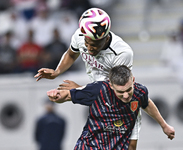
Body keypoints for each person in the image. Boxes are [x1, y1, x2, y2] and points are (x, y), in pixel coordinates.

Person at [34, 7, 141, 150]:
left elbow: (112, 93)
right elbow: (72, 53)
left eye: (95, 44)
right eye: (87, 42)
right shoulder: (80, 35)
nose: (89, 48)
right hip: (100, 103)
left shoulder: (122, 53)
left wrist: (76, 92)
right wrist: (56, 72)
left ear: (106, 37)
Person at [47, 65, 175, 150]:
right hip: (90, 147)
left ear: (133, 81)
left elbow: (146, 103)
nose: (126, 96)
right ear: (111, 85)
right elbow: (67, 95)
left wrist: (164, 125)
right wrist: (56, 96)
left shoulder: (140, 92)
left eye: (128, 90)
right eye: (120, 92)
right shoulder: (97, 90)